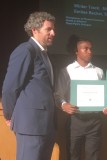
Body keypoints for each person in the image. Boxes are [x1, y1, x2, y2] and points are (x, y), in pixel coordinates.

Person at [1, 11, 56, 160]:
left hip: (45, 125)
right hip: (31, 125)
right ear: (34, 30)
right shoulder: (26, 50)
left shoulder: (43, 53)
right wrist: (9, 115)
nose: (53, 33)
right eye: (48, 29)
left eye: (53, 29)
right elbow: (9, 88)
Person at [54, 37, 107, 160]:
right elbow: (58, 95)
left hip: (94, 121)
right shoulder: (67, 70)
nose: (89, 51)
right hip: (75, 120)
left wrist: (106, 107)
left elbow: (104, 96)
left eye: (91, 49)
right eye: (85, 49)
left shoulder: (99, 71)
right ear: (77, 51)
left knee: (93, 156)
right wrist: (64, 105)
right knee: (73, 154)